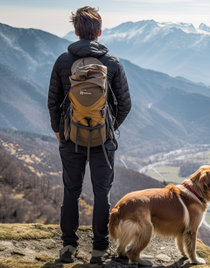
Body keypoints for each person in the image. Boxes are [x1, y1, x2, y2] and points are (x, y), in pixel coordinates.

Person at [47, 6, 131, 264]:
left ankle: (68, 248)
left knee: (71, 192)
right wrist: (108, 128)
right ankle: (98, 250)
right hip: (102, 141)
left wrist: (60, 132)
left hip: (71, 138)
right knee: (101, 194)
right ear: (99, 32)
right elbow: (125, 104)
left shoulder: (63, 61)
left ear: (75, 31)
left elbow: (53, 102)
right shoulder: (112, 63)